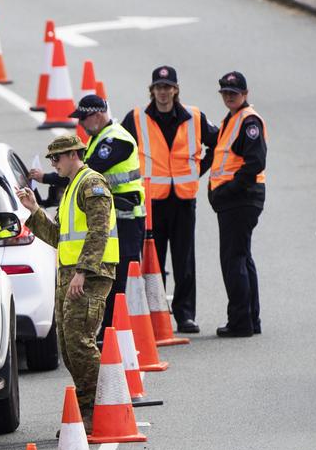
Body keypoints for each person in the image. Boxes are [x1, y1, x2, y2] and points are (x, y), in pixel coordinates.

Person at [16, 135, 117, 424]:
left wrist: (83, 271)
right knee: (69, 345)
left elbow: (99, 232)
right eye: (50, 159)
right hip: (71, 277)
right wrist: (34, 210)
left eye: (56, 158)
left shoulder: (91, 184)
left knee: (80, 342)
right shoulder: (71, 187)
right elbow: (59, 238)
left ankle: (101, 410)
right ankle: (91, 409)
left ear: (74, 154)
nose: (53, 164)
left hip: (89, 277)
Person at [29, 94, 141, 328]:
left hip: (127, 216)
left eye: (83, 117)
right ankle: (111, 329)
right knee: (112, 280)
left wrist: (47, 177)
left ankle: (117, 329)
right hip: (114, 218)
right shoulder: (97, 140)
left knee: (120, 281)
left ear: (98, 114)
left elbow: (90, 170)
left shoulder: (115, 139)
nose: (81, 123)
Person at [121, 66, 218, 334]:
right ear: (151, 90)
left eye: (168, 87)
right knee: (153, 260)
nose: (163, 92)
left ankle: (185, 315)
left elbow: (217, 141)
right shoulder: (137, 118)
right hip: (151, 202)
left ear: (175, 90)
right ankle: (155, 313)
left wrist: (199, 169)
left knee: (184, 259)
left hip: (183, 200)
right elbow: (120, 146)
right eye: (158, 87)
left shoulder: (194, 117)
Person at [208, 71, 266, 337]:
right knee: (242, 258)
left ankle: (240, 321)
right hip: (236, 200)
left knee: (233, 260)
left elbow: (255, 162)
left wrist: (228, 190)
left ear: (245, 93)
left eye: (234, 92)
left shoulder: (248, 120)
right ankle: (250, 319)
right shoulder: (231, 119)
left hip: (240, 199)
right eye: (225, 93)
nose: (229, 96)